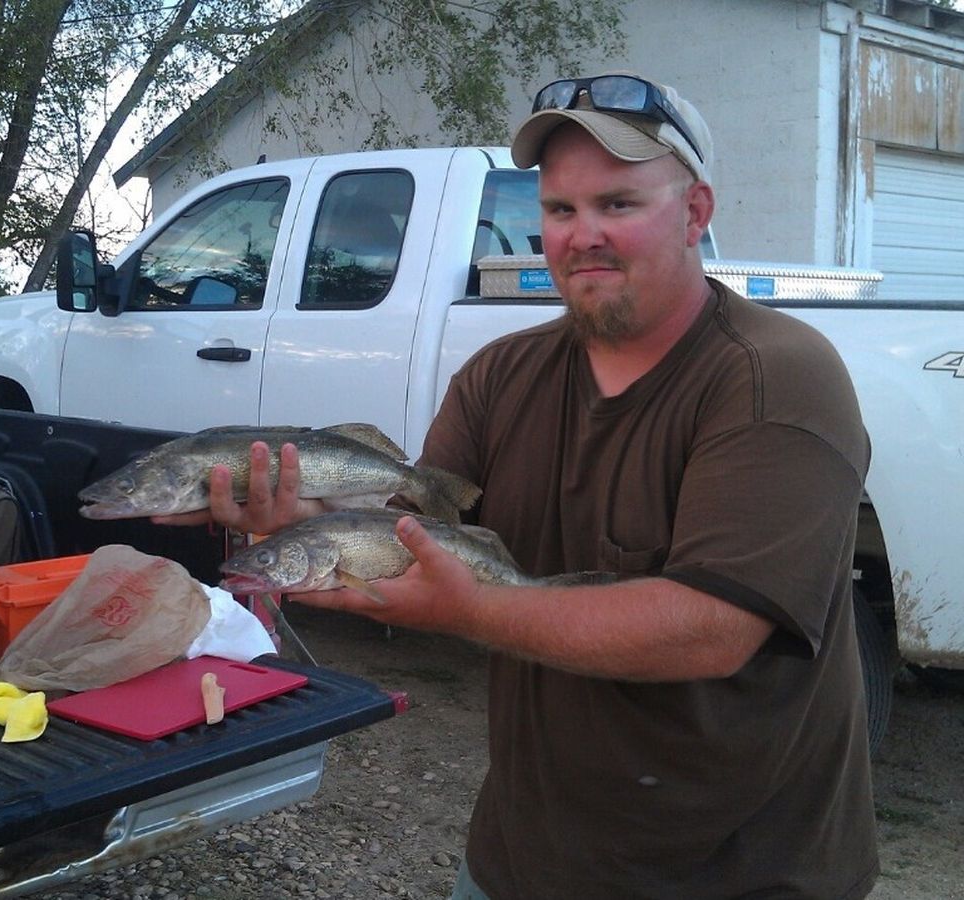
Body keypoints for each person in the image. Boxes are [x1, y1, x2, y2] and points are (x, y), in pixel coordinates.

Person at [156, 73, 879, 899]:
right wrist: (306, 519)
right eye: (560, 209)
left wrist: (470, 608)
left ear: (695, 213)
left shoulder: (773, 378)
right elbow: (409, 535)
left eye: (617, 203)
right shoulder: (501, 375)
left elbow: (710, 631)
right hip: (523, 858)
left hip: (735, 874)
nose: (583, 235)